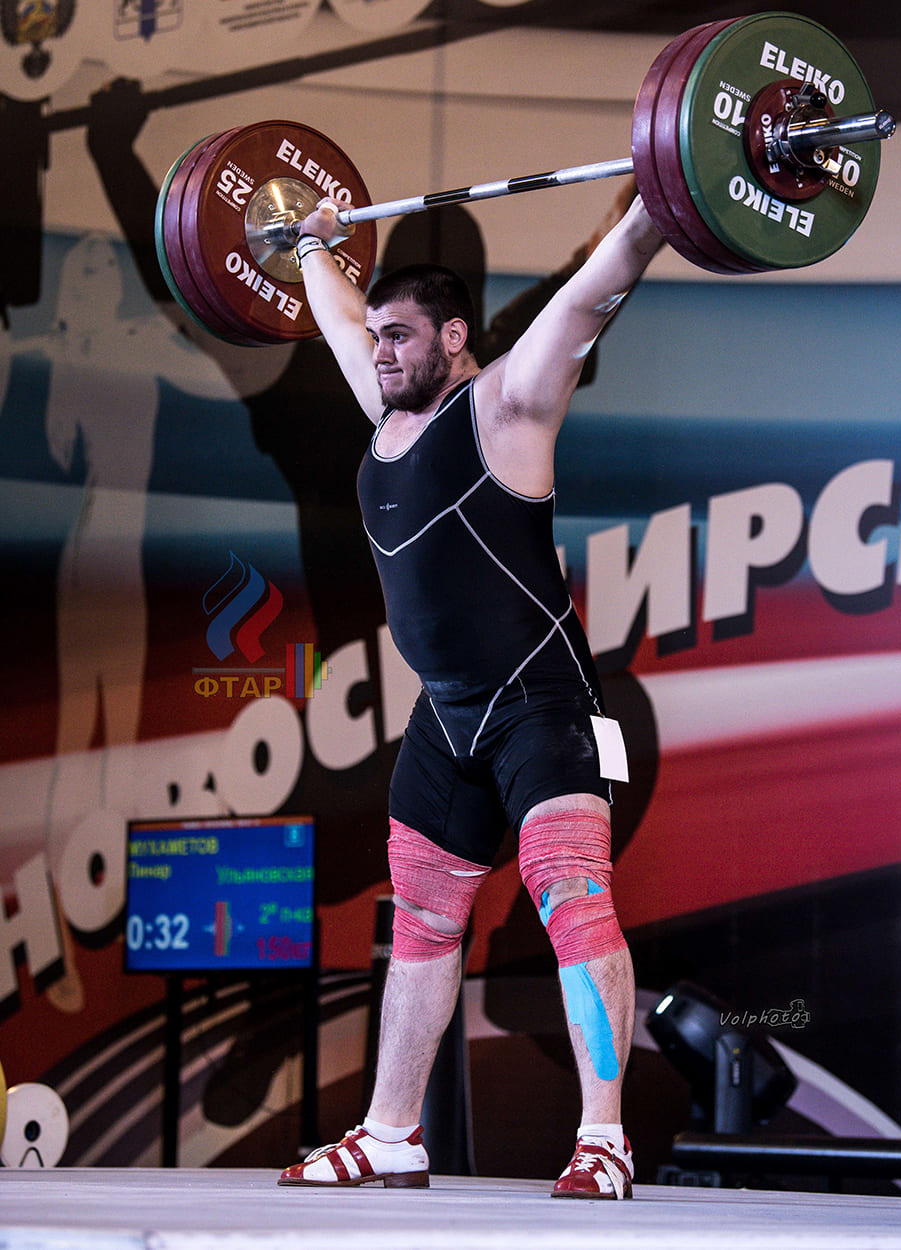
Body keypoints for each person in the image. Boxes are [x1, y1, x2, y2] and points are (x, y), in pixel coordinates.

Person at [277, 191, 665, 1200]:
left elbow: (590, 298)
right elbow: (337, 314)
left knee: (570, 892)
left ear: (453, 337)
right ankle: (391, 1133)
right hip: (446, 715)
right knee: (420, 917)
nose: (379, 352)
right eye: (377, 337)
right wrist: (310, 243)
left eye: (399, 336)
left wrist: (657, 209)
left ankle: (604, 1139)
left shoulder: (505, 407)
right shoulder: (386, 410)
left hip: (543, 704)